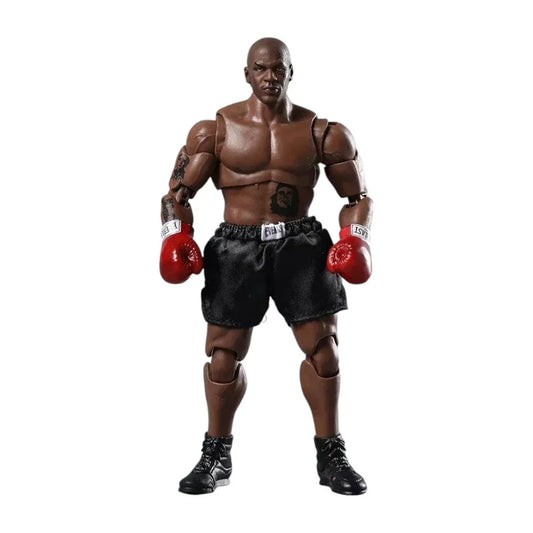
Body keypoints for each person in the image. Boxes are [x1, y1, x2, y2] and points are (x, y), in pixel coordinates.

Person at [159, 37, 373, 495]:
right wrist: (176, 236)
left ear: (291, 72)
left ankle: (330, 453)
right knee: (223, 356)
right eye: (261, 68)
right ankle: (216, 453)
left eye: (278, 68)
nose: (270, 77)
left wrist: (356, 239)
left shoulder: (323, 133)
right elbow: (176, 194)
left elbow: (357, 197)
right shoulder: (215, 132)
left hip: (301, 243)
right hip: (237, 245)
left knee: (325, 352)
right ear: (247, 73)